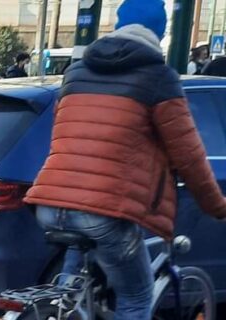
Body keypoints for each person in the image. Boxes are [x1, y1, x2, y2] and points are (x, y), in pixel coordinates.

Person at [23, 0, 226, 319]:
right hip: (103, 211)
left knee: (70, 292)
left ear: (119, 25)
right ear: (158, 32)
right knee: (137, 295)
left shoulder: (76, 72)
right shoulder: (158, 77)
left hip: (51, 203)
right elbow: (190, 155)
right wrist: (217, 207)